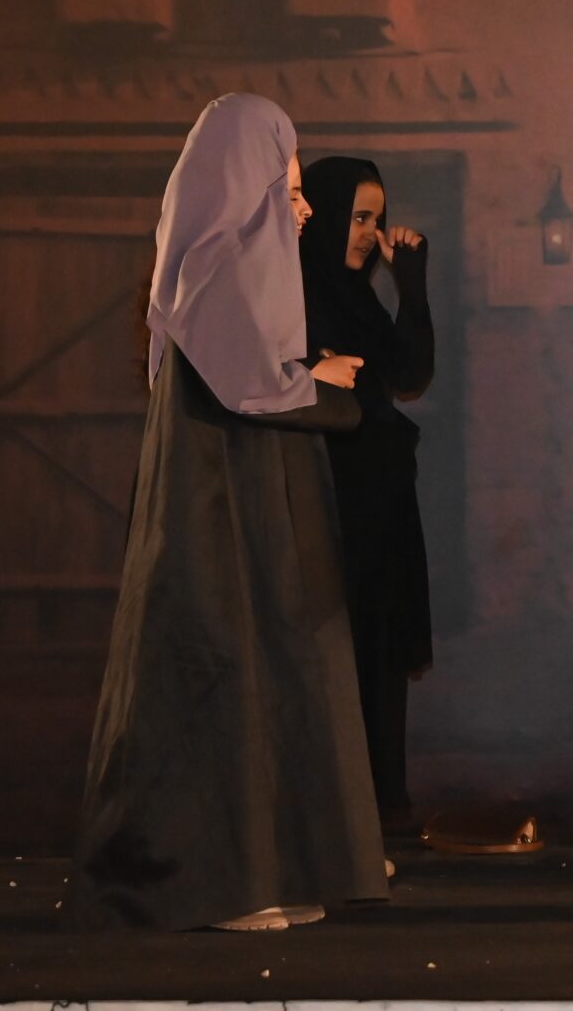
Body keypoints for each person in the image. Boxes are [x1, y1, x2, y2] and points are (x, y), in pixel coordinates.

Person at [69, 94, 386, 934]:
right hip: (211, 520)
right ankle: (205, 885)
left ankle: (259, 872)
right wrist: (322, 385)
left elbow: (255, 378)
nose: (303, 208)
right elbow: (251, 389)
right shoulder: (212, 272)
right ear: (245, 187)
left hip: (245, 514)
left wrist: (308, 378)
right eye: (289, 189)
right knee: (217, 672)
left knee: (263, 671)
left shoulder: (227, 276)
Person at [297, 157, 436, 834]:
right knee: (336, 652)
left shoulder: (358, 297)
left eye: (376, 219)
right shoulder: (292, 294)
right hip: (330, 503)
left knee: (380, 648)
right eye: (357, 217)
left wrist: (411, 283)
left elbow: (410, 372)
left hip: (380, 503)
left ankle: (383, 807)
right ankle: (338, 820)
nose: (368, 233)